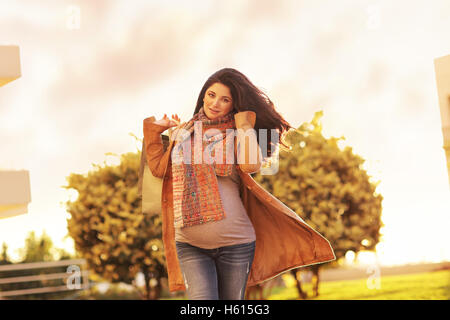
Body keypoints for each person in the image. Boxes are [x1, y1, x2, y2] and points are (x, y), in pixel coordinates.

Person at [141, 68, 335, 300]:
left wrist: (244, 125)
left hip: (236, 243)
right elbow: (158, 169)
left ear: (233, 105)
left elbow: (250, 165)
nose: (215, 103)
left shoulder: (237, 134)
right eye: (211, 95)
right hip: (189, 244)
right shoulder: (183, 132)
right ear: (203, 95)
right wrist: (155, 130)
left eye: (225, 99)